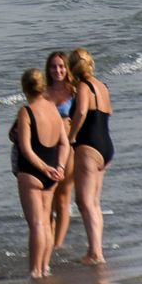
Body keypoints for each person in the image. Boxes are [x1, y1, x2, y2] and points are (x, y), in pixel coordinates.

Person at [12, 68, 71, 278]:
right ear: (43, 85)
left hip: (32, 172)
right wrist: (60, 167)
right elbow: (65, 144)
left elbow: (26, 149)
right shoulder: (54, 109)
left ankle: (35, 270)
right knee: (46, 222)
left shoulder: (26, 112)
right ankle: (45, 266)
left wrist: (42, 167)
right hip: (53, 171)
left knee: (36, 224)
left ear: (24, 88)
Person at [68, 47, 113, 265]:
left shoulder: (84, 87)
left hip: (88, 146)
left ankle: (95, 252)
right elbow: (108, 112)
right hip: (105, 145)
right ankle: (97, 250)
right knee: (94, 201)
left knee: (84, 201)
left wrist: (71, 136)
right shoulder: (102, 86)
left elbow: (82, 112)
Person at [44, 52, 79, 250]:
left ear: (67, 69)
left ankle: (58, 244)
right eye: (53, 67)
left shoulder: (74, 92)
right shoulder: (43, 92)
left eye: (61, 66)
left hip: (69, 150)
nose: (57, 70)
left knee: (64, 196)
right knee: (47, 197)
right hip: (47, 149)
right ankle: (47, 239)